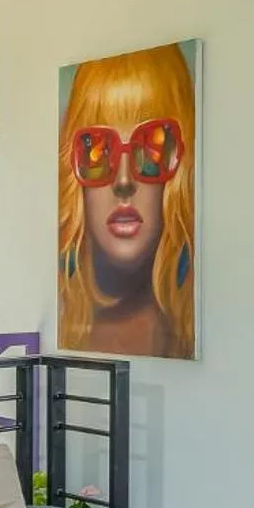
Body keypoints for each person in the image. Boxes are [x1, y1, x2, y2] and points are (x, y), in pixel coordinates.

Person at [58, 41, 197, 359]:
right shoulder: (62, 325)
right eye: (96, 150)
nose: (123, 181)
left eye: (153, 148)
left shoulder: (186, 336)